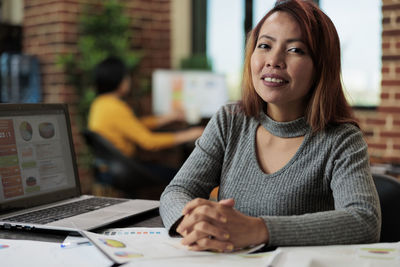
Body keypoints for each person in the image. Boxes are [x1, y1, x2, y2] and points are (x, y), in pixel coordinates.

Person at [159, 0, 381, 252]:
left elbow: (364, 220)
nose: (274, 60)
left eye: (295, 50)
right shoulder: (230, 120)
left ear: (321, 67)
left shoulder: (342, 139)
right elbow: (177, 191)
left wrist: (257, 230)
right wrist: (192, 223)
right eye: (264, 45)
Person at [88, 56, 203, 181]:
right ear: (119, 81)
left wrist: (168, 117)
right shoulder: (115, 108)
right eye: (127, 77)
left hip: (110, 168)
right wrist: (189, 135)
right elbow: (148, 142)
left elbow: (133, 125)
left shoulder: (100, 104)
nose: (129, 80)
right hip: (123, 169)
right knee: (182, 178)